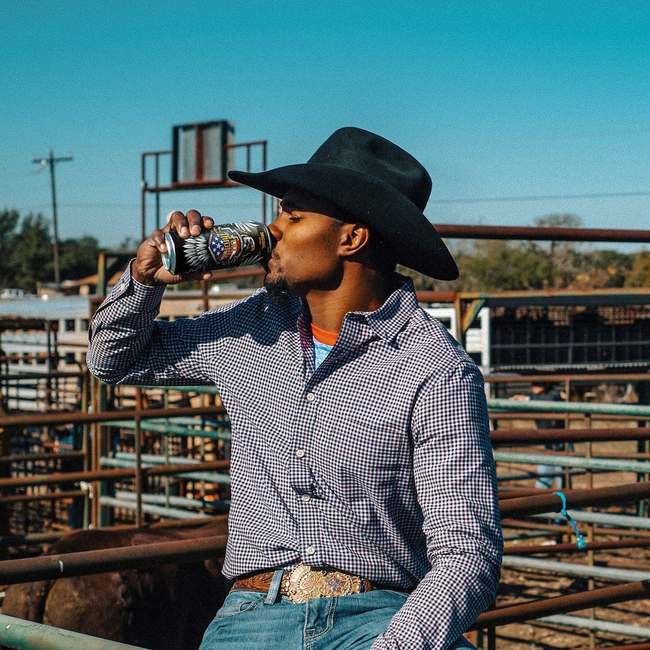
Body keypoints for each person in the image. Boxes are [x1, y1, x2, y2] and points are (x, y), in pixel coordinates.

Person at [87, 127, 502, 649]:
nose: (273, 230)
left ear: (352, 238)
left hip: (376, 618)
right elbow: (113, 361)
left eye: (293, 216)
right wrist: (144, 280)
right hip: (252, 616)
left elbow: (467, 553)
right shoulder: (250, 327)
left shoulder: (436, 369)